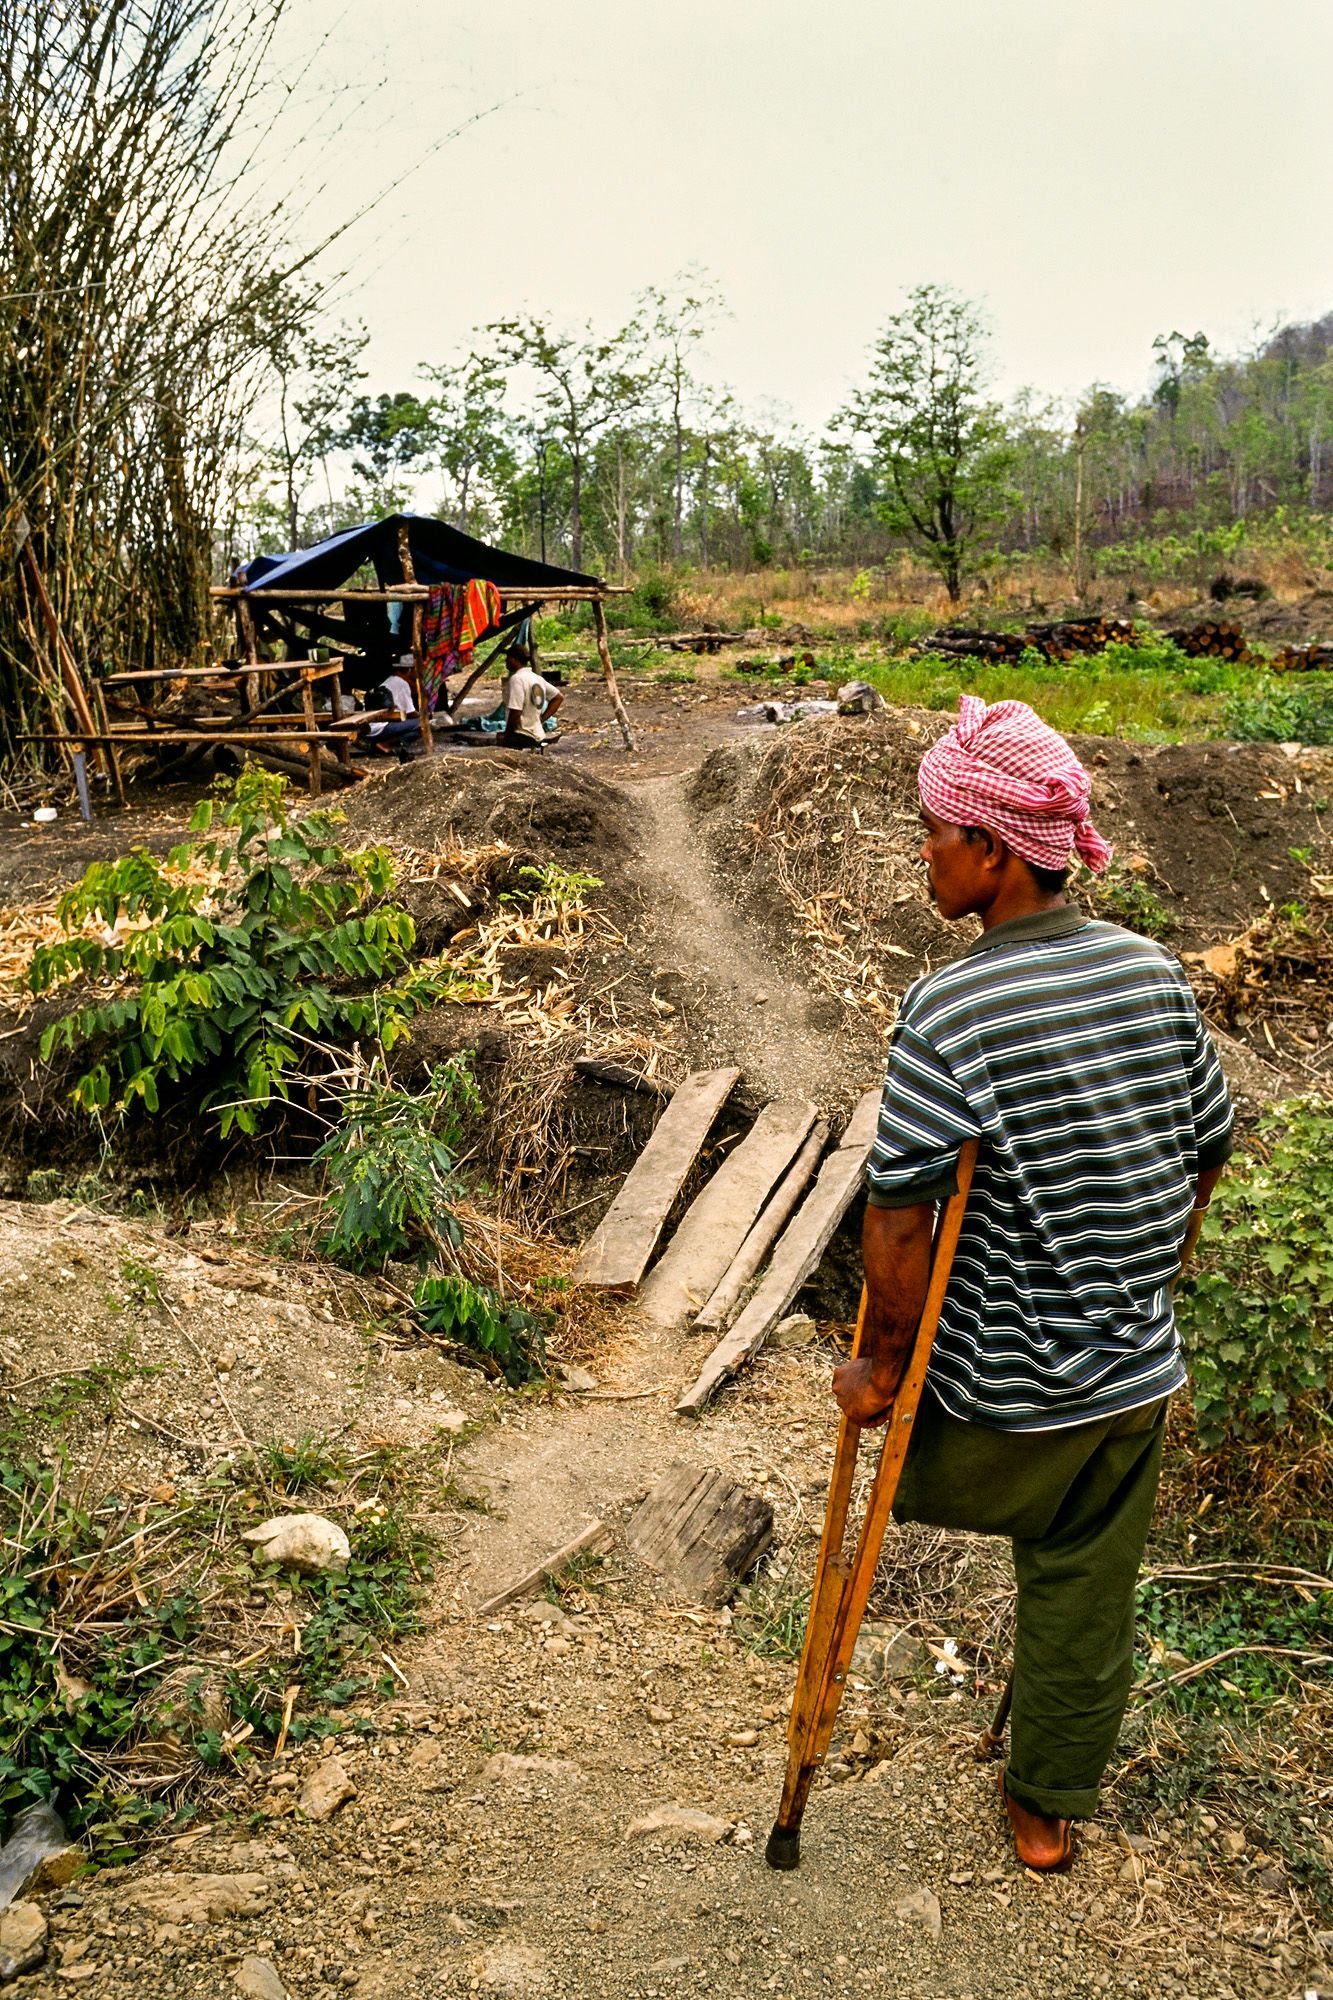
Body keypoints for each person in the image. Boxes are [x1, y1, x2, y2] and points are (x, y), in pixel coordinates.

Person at [834, 695, 1233, 1872]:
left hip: (997, 1406)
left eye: (935, 833)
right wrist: (1158, 1262)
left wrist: (881, 1364)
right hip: (1128, 1378)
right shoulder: (1153, 974)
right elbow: (1209, 1141)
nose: (924, 854)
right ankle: (1043, 1808)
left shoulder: (947, 1007)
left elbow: (900, 1214)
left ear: (995, 851)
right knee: (1083, 1583)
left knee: (915, 1468)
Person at [501, 646, 562, 750]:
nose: (505, 660)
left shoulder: (517, 679)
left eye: (507, 657)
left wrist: (506, 736)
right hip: (538, 734)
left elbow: (515, 712)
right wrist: (541, 720)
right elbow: (558, 697)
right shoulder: (537, 678)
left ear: (514, 659)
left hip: (522, 735)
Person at [364, 658, 421, 756]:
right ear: (409, 670)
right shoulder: (401, 684)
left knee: (415, 728)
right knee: (422, 724)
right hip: (380, 728)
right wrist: (425, 716)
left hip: (370, 727)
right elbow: (411, 712)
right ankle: (384, 744)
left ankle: (384, 743)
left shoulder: (391, 680)